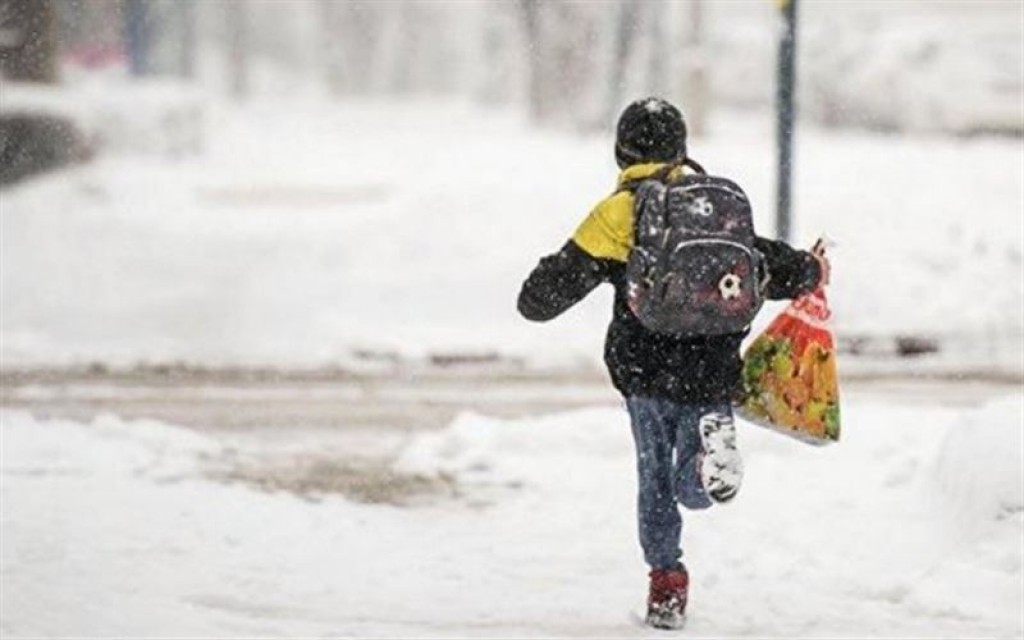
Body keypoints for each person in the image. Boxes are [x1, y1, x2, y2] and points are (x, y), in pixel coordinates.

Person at [516, 97, 828, 629]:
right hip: (713, 366)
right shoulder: (715, 204)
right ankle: (708, 467)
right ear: (683, 147)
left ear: (622, 151)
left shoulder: (620, 211)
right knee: (693, 481)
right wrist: (810, 268)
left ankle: (666, 585)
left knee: (654, 479)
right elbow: (764, 260)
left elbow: (542, 298)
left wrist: (542, 287)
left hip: (647, 369)